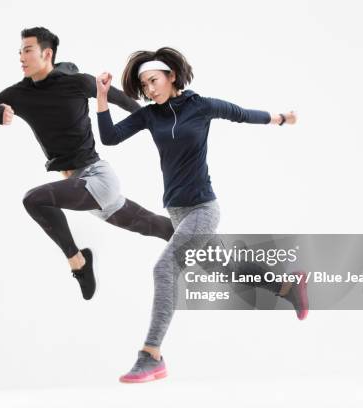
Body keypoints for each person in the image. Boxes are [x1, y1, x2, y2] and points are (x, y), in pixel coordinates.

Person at [95, 47, 307, 383]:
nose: (150, 89)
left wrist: (279, 118)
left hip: (203, 208)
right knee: (223, 267)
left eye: (154, 81)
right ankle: (286, 286)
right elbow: (110, 137)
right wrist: (102, 97)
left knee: (164, 268)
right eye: (144, 85)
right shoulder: (151, 116)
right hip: (177, 212)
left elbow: (241, 113)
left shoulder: (200, 106)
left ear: (171, 76)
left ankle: (151, 355)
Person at [0, 28, 174, 300]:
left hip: (97, 179)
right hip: (79, 187)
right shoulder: (17, 94)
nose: (21, 58)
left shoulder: (78, 83)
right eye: (19, 52)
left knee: (34, 200)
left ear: (47, 53)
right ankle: (216, 257)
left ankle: (79, 262)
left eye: (27, 50)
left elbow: (128, 103)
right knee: (159, 227)